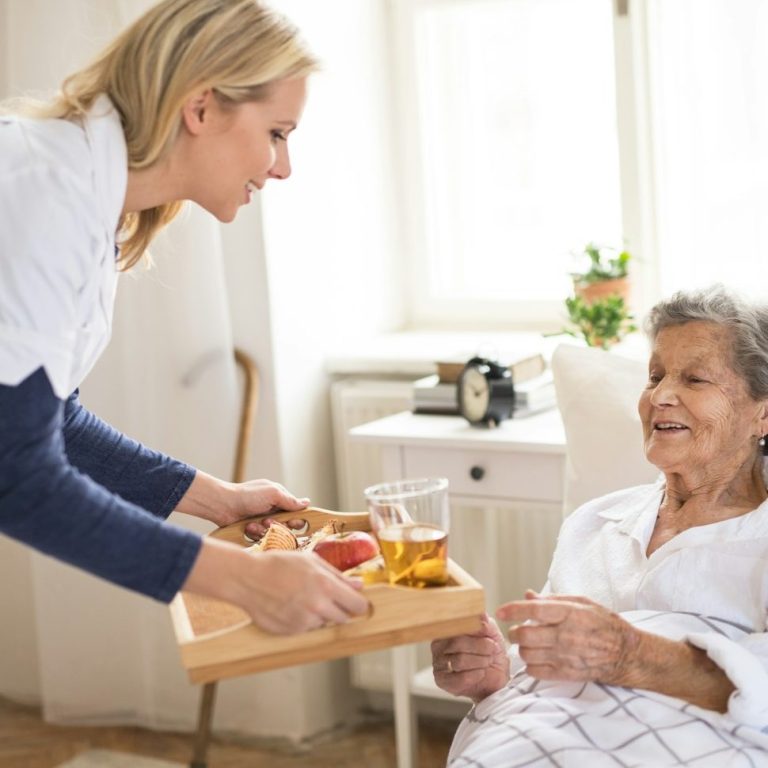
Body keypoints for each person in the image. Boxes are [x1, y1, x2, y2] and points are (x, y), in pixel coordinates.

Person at [0, 0, 368, 635]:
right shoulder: (43, 191)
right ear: (200, 108)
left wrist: (213, 499)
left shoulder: (87, 199)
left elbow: (43, 417)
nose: (283, 167)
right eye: (277, 133)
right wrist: (240, 577)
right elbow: (18, 476)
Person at [432, 285, 768, 766]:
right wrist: (489, 676)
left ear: (763, 413)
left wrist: (629, 653)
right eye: (655, 377)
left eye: (694, 380)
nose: (661, 396)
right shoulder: (594, 522)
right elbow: (546, 682)